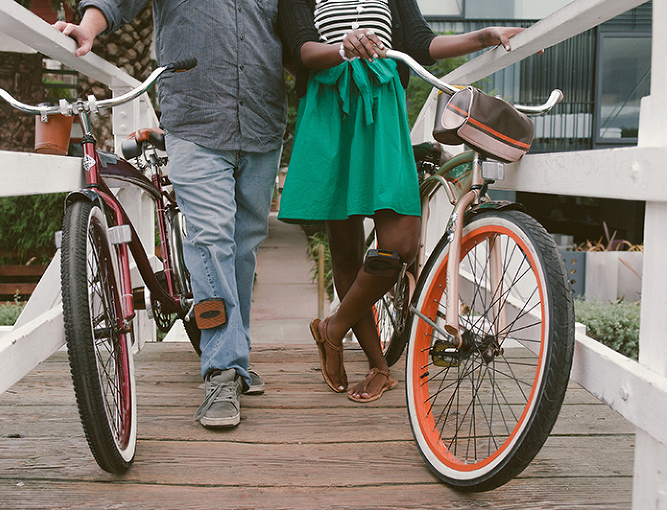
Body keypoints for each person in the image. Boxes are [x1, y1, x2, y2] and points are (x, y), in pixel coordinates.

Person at [277, 0, 527, 402]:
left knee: (401, 244)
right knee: (345, 251)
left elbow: (422, 43)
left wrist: (483, 37)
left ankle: (333, 329)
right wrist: (344, 48)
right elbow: (305, 51)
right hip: (330, 113)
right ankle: (378, 366)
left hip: (383, 110)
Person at [55, 0, 288, 428]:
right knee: (211, 239)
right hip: (195, 123)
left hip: (261, 122)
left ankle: (234, 357)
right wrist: (89, 26)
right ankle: (221, 369)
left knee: (244, 245)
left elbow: (296, 31)